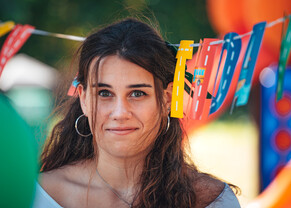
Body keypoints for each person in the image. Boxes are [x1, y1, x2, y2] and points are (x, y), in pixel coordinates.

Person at [32, 18, 241, 208]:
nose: (120, 112)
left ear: (166, 98)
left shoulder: (212, 200)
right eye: (105, 93)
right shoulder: (38, 196)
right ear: (84, 99)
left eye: (137, 93)